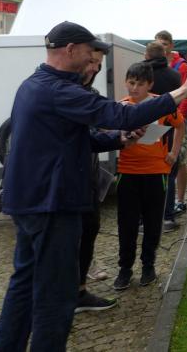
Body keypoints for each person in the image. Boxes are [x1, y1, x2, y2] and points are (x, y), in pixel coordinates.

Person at [0, 21, 187, 352]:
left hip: (31, 201)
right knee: (56, 294)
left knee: (24, 284)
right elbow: (119, 114)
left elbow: (77, 137)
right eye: (89, 53)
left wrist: (119, 139)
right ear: (69, 50)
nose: (92, 61)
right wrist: (183, 91)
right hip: (52, 203)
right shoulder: (59, 90)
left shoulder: (35, 85)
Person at [113, 62, 186, 290]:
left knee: (153, 222)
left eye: (140, 84)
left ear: (150, 85)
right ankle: (125, 269)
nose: (134, 88)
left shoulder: (159, 105)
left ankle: (148, 266)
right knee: (127, 223)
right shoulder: (121, 106)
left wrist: (174, 152)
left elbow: (180, 125)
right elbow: (109, 131)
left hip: (156, 172)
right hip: (127, 172)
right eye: (131, 82)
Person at [76, 48, 126, 313]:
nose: (94, 68)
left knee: (90, 228)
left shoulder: (91, 94)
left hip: (90, 174)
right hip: (68, 181)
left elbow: (97, 130)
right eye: (91, 62)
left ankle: (79, 290)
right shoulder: (65, 93)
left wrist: (119, 134)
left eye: (98, 64)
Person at [145, 40, 184, 231]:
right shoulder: (174, 75)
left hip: (148, 127)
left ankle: (145, 219)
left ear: (146, 55)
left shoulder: (143, 73)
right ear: (164, 54)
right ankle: (168, 217)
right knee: (168, 172)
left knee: (146, 173)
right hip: (170, 125)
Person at [154, 30, 187, 219]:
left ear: (171, 46)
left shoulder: (180, 66)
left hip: (176, 119)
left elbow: (186, 93)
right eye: (158, 43)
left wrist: (179, 116)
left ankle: (180, 199)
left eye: (165, 44)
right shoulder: (153, 64)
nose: (161, 47)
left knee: (179, 159)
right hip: (157, 120)